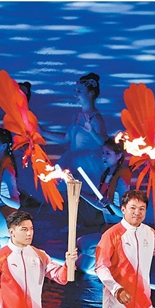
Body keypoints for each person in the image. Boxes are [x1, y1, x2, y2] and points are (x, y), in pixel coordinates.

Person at [43, 73, 109, 225]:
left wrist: (91, 131)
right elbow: (66, 139)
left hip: (88, 164)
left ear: (90, 93)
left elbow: (104, 141)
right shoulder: (78, 116)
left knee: (84, 196)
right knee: (68, 191)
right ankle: (74, 225)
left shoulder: (95, 118)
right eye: (76, 91)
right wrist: (43, 132)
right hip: (73, 160)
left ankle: (85, 227)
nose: (76, 94)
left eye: (79, 91)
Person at [76, 137, 132, 272]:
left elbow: (125, 213)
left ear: (119, 156)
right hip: (107, 228)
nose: (103, 156)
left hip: (120, 231)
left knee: (83, 244)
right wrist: (78, 192)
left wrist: (111, 205)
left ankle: (116, 260)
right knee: (81, 267)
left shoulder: (122, 178)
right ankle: (109, 262)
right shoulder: (106, 175)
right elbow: (100, 203)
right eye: (103, 153)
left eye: (108, 153)